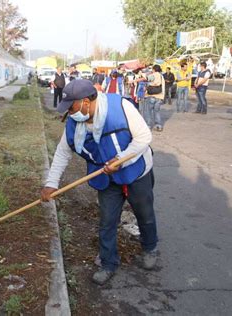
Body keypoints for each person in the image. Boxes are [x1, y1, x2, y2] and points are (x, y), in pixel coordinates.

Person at [41, 79, 158, 285]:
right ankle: (108, 263)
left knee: (144, 214)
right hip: (105, 176)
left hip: (136, 171)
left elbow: (143, 137)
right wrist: (51, 183)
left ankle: (149, 247)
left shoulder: (120, 107)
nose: (69, 113)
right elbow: (62, 152)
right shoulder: (74, 122)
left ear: (86, 101)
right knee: (107, 221)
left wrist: (122, 159)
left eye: (72, 107)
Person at [143, 65, 165, 131]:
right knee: (157, 111)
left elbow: (146, 78)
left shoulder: (153, 75)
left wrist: (143, 74)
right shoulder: (161, 76)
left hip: (151, 96)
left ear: (154, 69)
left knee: (148, 111)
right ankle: (158, 126)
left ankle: (148, 126)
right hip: (160, 96)